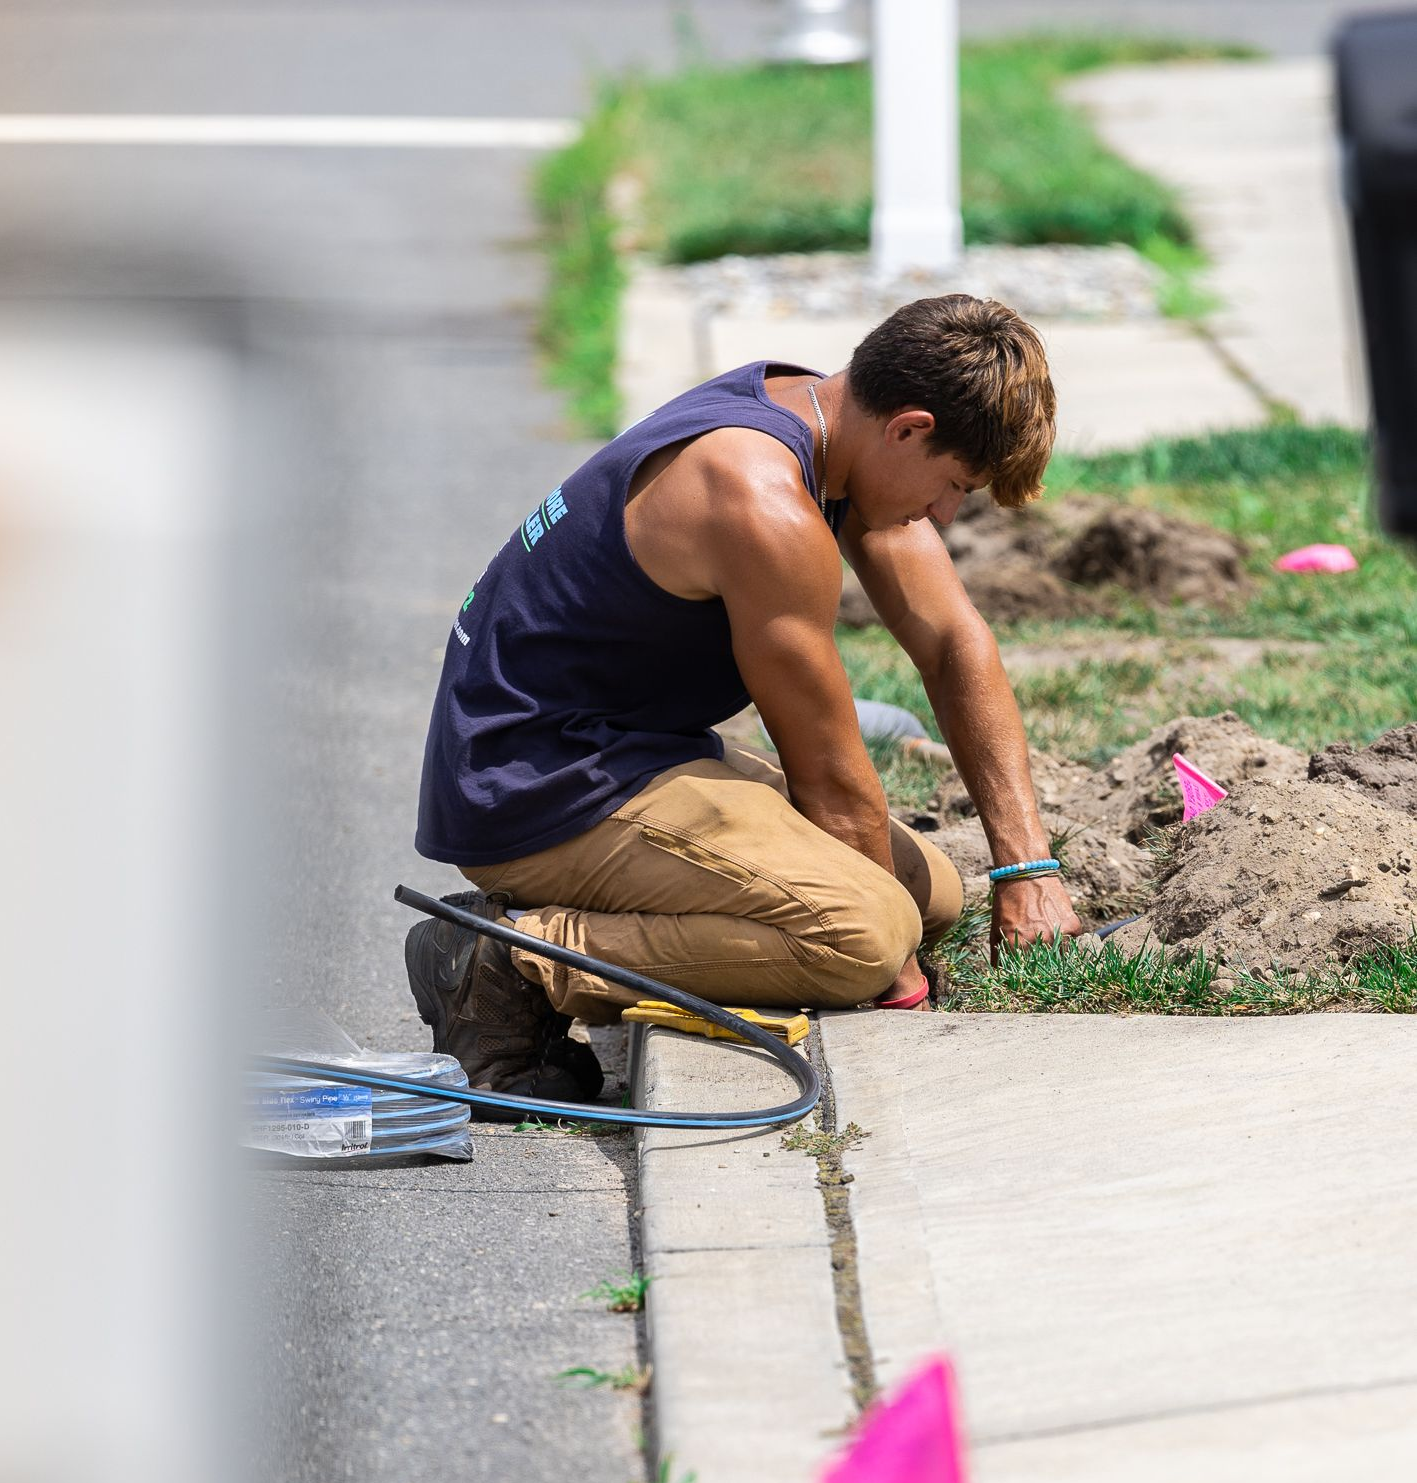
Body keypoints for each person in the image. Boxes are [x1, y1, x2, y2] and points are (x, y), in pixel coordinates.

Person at [406, 292, 1081, 1104]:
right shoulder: (756, 497)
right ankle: (509, 957)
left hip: (626, 752)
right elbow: (831, 785)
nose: (944, 515)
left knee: (927, 895)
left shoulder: (823, 418)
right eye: (955, 486)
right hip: (531, 787)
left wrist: (1026, 868)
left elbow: (951, 642)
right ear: (908, 427)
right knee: (863, 940)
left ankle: (587, 929)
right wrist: (896, 981)